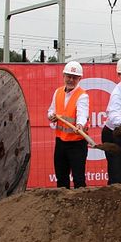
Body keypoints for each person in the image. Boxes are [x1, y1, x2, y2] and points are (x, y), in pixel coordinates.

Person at [47, 61, 89, 189]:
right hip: (61, 142)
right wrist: (51, 116)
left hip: (77, 144)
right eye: (68, 76)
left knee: (78, 179)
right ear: (63, 76)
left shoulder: (82, 96)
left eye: (74, 77)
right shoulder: (58, 92)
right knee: (61, 178)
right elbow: (51, 110)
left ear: (79, 79)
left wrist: (80, 125)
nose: (71, 80)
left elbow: (82, 113)